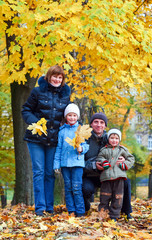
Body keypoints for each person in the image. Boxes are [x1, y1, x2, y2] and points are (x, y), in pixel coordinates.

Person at [21, 65, 71, 216]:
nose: (57, 79)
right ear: (49, 77)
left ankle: (50, 207)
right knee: (39, 172)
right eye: (54, 76)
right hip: (36, 139)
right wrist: (35, 123)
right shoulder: (38, 91)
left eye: (60, 77)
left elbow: (68, 115)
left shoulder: (65, 95)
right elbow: (26, 110)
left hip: (53, 140)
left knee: (50, 173)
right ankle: (40, 208)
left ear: (62, 80)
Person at [82, 112, 133, 219]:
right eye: (96, 122)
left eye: (102, 122)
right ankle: (85, 206)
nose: (98, 125)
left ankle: (126, 211)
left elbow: (121, 151)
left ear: (105, 125)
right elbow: (79, 162)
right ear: (91, 124)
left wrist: (123, 159)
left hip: (109, 175)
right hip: (92, 175)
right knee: (85, 188)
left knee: (125, 182)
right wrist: (93, 165)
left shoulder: (110, 137)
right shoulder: (85, 139)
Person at [53, 103, 89, 217]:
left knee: (77, 188)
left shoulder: (80, 130)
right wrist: (56, 165)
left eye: (74, 115)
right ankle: (71, 211)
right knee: (68, 188)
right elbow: (58, 149)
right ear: (66, 117)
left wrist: (81, 148)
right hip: (65, 164)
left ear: (77, 116)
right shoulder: (62, 131)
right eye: (70, 115)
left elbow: (86, 146)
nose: (72, 118)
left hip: (77, 163)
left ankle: (80, 212)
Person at [96, 128, 135, 221]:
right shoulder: (104, 150)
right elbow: (99, 158)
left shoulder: (122, 150)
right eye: (112, 138)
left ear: (119, 140)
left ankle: (114, 215)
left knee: (117, 197)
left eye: (116, 138)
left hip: (119, 177)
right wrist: (103, 162)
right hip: (106, 177)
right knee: (105, 196)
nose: (114, 140)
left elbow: (131, 158)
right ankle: (103, 213)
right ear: (108, 139)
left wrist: (125, 164)